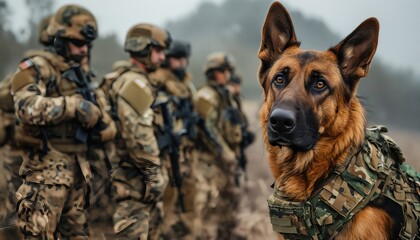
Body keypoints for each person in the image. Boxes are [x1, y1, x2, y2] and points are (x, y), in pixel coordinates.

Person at [10, 5, 115, 239]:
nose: (84, 50)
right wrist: (72, 107)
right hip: (44, 177)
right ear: (60, 38)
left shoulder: (81, 76)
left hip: (78, 176)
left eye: (87, 45)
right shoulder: (37, 67)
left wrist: (101, 123)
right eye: (78, 44)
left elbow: (105, 121)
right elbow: (25, 107)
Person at [100, 23, 171, 240]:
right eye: (158, 51)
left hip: (136, 182)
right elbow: (138, 136)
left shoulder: (131, 80)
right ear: (142, 49)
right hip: (134, 182)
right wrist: (154, 176)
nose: (162, 58)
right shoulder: (134, 83)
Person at [0, 14, 53, 239]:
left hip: (28, 158)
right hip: (12, 154)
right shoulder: (34, 71)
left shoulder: (57, 74)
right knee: (10, 216)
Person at [149, 40, 203, 239]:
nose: (181, 63)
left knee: (190, 203)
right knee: (167, 205)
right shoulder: (156, 81)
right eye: (176, 59)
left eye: (183, 59)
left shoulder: (186, 85)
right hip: (167, 154)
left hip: (187, 153)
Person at [193, 52, 243, 239]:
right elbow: (206, 129)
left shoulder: (224, 94)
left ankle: (226, 234)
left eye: (228, 71)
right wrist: (225, 153)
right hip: (208, 161)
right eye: (224, 71)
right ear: (213, 72)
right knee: (206, 203)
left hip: (223, 160)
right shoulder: (206, 96)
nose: (228, 75)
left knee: (229, 199)